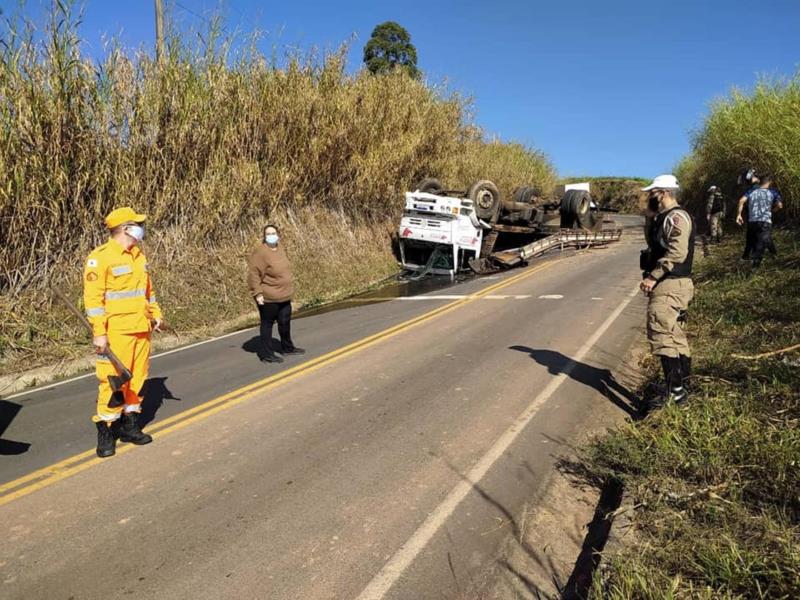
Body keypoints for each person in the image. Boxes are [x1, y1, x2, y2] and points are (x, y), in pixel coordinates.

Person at [84, 207, 164, 458]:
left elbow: (147, 291)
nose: (142, 227)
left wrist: (155, 313)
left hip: (141, 327)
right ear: (124, 228)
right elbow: (94, 301)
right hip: (116, 333)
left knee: (138, 380)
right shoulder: (100, 258)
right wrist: (99, 333)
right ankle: (107, 430)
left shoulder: (138, 255)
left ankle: (130, 423)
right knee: (113, 382)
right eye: (137, 223)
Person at [639, 175, 695, 408]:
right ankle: (682, 387)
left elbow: (677, 253)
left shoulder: (677, 217)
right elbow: (654, 245)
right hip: (672, 284)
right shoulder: (663, 218)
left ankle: (677, 394)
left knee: (663, 336)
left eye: (652, 193)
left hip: (671, 284)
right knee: (675, 336)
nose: (649, 197)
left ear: (662, 193)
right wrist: (650, 219)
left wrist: (653, 277)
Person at [247, 224, 305, 363]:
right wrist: (258, 294)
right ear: (264, 236)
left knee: (285, 322)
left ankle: (287, 347)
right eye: (268, 234)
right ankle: (267, 354)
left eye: (273, 233)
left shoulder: (280, 248)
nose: (271, 236)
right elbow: (253, 274)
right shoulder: (261, 253)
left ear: (278, 234)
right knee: (267, 324)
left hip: (284, 295)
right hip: (269, 297)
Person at [736, 174, 783, 267]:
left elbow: (741, 200)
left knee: (756, 240)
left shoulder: (752, 191)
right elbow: (780, 205)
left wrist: (738, 215)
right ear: (769, 182)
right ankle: (755, 266)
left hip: (752, 221)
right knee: (761, 243)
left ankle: (773, 255)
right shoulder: (773, 192)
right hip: (764, 221)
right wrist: (773, 210)